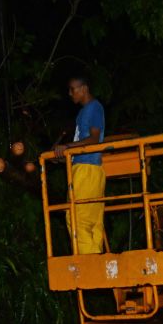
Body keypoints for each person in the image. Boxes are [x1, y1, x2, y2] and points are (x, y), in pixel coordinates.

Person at [53, 76, 106, 254]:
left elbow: (93, 139)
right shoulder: (84, 112)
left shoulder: (94, 108)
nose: (70, 93)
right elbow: (83, 142)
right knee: (91, 219)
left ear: (84, 88)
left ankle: (89, 263)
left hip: (87, 169)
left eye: (72, 89)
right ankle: (96, 259)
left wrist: (67, 147)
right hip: (84, 167)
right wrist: (63, 155)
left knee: (77, 217)